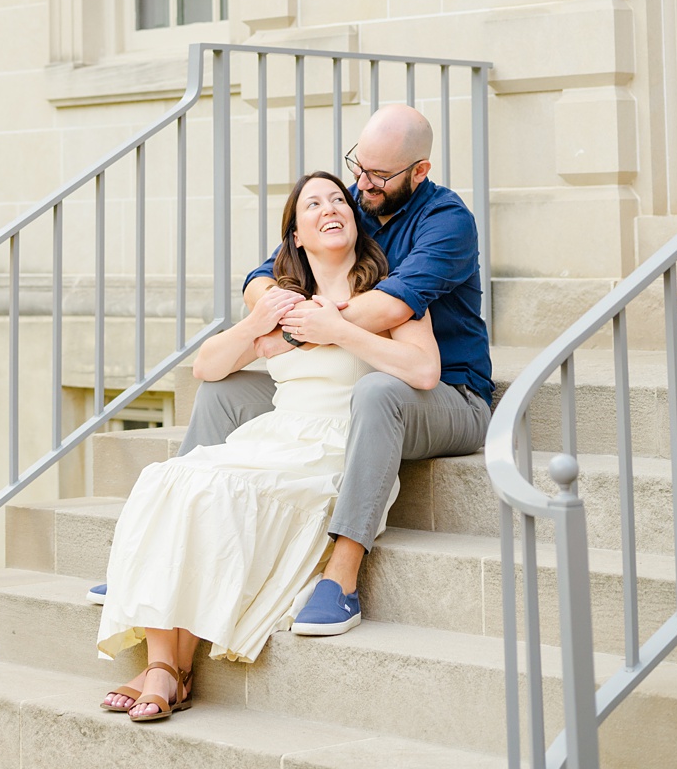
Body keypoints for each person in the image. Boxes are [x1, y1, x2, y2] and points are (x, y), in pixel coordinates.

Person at [94, 171, 438, 720]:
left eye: (337, 200)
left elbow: (424, 370)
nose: (331, 207)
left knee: (215, 487)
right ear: (295, 236)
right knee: (170, 477)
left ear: (353, 219)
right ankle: (165, 662)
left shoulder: (387, 295)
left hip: (333, 444)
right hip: (276, 433)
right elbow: (208, 367)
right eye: (313, 204)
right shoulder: (282, 300)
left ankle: (169, 672)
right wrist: (257, 320)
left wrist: (341, 330)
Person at [173, 102, 492, 637]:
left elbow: (391, 307)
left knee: (375, 393)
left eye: (379, 176)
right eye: (358, 167)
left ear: (420, 172)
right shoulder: (351, 206)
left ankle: (341, 578)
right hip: (338, 389)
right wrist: (271, 313)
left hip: (450, 395)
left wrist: (294, 331)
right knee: (223, 392)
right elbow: (263, 275)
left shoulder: (447, 222)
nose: (362, 184)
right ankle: (171, 540)